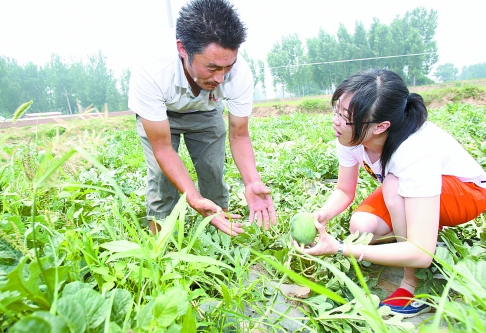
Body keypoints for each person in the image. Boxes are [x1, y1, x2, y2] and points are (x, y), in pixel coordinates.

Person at [297, 69, 486, 317]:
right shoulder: (351, 136)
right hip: (418, 189)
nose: (336, 120)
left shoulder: (414, 150)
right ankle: (412, 237)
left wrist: (341, 249)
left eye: (345, 117)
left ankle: (414, 285)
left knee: (394, 189)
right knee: (361, 227)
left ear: (380, 126)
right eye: (336, 110)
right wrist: (320, 214)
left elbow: (421, 253)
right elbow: (344, 190)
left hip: (466, 195)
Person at [128, 0, 276, 236]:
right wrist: (194, 199)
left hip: (206, 110)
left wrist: (252, 181)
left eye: (228, 66)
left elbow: (239, 135)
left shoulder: (239, 73)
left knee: (212, 167)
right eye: (212, 68)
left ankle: (221, 233)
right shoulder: (151, 70)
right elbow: (164, 149)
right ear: (183, 49)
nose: (221, 77)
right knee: (161, 175)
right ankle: (159, 243)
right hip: (162, 112)